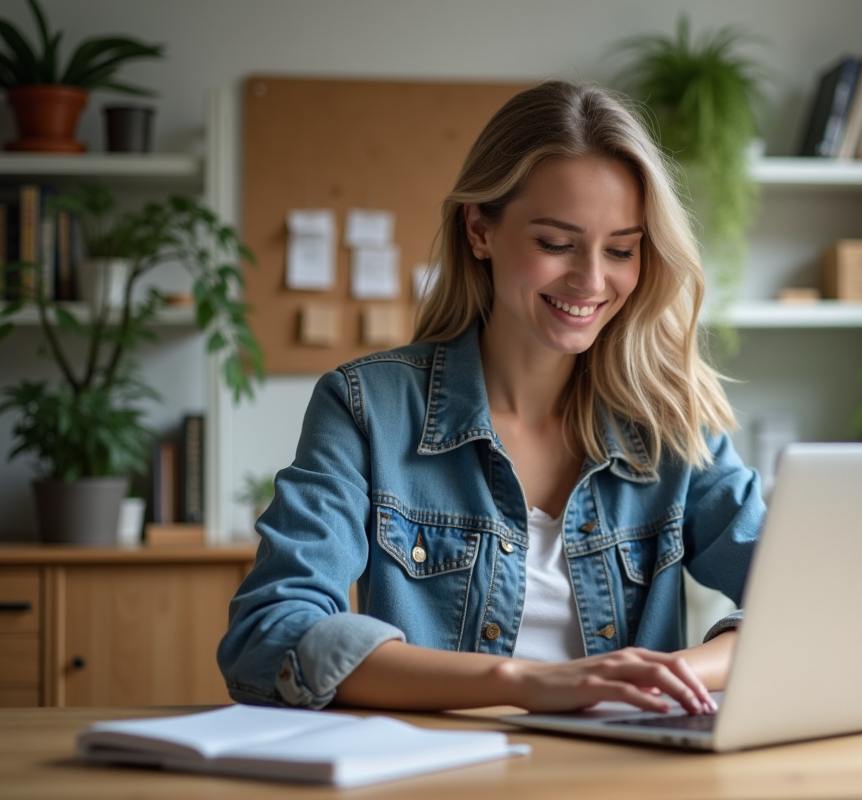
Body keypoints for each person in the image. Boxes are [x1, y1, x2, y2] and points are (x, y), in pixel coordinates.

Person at [217, 80, 765, 716]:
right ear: (480, 229)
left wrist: (658, 674)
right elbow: (269, 633)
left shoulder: (670, 425)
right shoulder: (368, 407)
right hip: (438, 773)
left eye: (621, 250)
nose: (592, 280)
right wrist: (524, 682)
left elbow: (809, 603)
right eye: (555, 243)